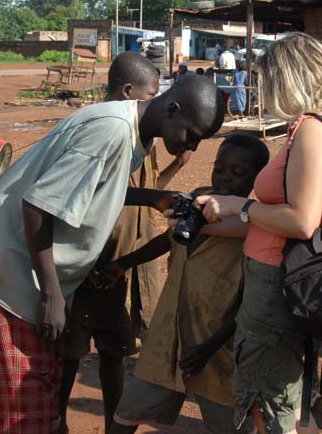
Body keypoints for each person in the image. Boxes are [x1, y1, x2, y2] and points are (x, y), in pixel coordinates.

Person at [0, 66, 226, 434]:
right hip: (17, 259)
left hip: (37, 262)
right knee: (27, 391)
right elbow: (37, 205)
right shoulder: (112, 130)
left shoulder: (134, 132)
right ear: (172, 109)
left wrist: (155, 198)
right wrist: (50, 294)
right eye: (191, 136)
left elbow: (95, 187)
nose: (189, 148)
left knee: (45, 375)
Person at [189, 32, 322, 434]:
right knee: (274, 391)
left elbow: (301, 220)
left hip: (277, 281)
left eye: (268, 80)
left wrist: (240, 206)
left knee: (271, 397)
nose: (264, 90)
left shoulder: (314, 131)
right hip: (284, 271)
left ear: (290, 78)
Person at [57, 52, 190, 433]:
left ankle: (113, 424)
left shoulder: (141, 137)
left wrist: (176, 167)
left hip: (120, 262)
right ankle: (58, 421)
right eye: (151, 95)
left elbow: (148, 194)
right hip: (94, 261)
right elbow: (98, 198)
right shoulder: (108, 133)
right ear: (129, 91)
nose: (156, 103)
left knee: (115, 352)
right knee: (71, 353)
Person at [105, 134, 270, 434]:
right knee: (127, 413)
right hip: (168, 338)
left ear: (258, 179)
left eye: (238, 173)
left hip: (219, 348)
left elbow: (251, 302)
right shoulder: (196, 200)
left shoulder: (253, 228)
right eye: (219, 168)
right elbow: (166, 241)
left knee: (233, 425)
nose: (224, 179)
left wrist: (209, 346)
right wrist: (124, 264)